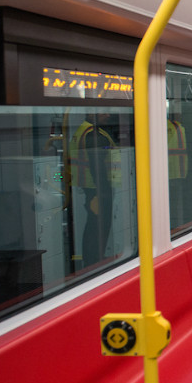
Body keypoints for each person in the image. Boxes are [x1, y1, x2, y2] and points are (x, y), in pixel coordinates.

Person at [69, 113, 119, 269]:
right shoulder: (93, 135)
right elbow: (97, 166)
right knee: (99, 228)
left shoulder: (83, 131)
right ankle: (94, 263)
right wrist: (103, 191)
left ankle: (92, 261)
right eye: (103, 112)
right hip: (98, 190)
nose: (108, 115)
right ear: (92, 113)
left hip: (90, 188)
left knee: (93, 225)